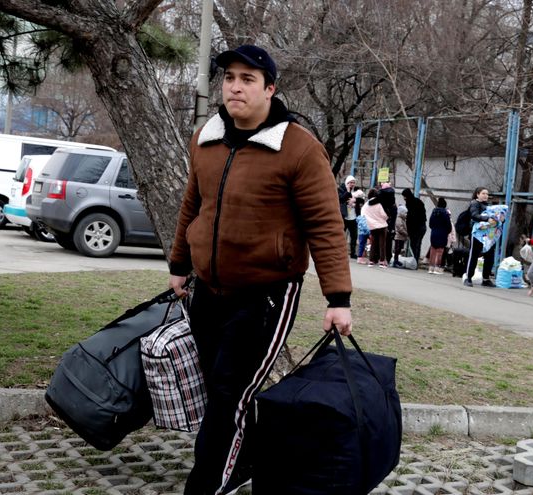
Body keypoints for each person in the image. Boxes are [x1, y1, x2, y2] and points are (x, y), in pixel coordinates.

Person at [166, 44, 352, 495]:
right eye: (229, 77)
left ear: (270, 89)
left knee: (231, 392)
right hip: (208, 289)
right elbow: (193, 204)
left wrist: (338, 299)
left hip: (267, 293)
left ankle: (207, 484)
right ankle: (245, 460)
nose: (235, 87)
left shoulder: (299, 148)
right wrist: (179, 264)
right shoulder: (205, 138)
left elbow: (325, 225)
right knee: (219, 389)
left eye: (247, 79)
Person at [464, 186, 497, 287]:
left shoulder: (489, 206)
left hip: (489, 235)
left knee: (490, 255)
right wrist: (487, 219)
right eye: (483, 193)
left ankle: (486, 279)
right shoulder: (475, 203)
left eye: (487, 194)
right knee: (474, 255)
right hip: (477, 234)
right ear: (477, 194)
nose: (486, 196)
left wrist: (500, 219)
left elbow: (496, 217)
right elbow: (474, 215)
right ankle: (468, 278)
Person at [361, 188, 389, 267]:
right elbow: (384, 215)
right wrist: (385, 218)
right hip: (382, 225)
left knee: (373, 243)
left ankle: (371, 261)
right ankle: (382, 261)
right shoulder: (379, 204)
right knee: (382, 244)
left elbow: (363, 214)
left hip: (372, 226)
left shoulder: (366, 205)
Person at [401, 188, 426, 266]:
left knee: (414, 245)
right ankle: (416, 261)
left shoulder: (409, 204)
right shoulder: (419, 201)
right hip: (422, 226)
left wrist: (409, 230)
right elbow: (423, 215)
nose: (404, 198)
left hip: (415, 228)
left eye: (404, 196)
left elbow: (410, 218)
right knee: (418, 244)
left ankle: (414, 262)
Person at [428, 198, 452, 274]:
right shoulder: (445, 213)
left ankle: (431, 268)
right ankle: (437, 268)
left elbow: (430, 224)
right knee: (440, 251)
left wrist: (434, 229)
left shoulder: (433, 212)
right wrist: (447, 231)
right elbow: (449, 226)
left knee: (433, 250)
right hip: (443, 233)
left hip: (434, 233)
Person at [338, 175, 358, 258]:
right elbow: (341, 199)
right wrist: (348, 191)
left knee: (354, 235)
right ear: (347, 182)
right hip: (344, 216)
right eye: (350, 182)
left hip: (353, 217)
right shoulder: (341, 189)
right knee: (342, 235)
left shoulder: (357, 190)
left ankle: (353, 253)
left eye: (353, 183)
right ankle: (340, 252)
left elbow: (362, 199)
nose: (352, 184)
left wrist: (355, 201)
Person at [377, 182, 397, 263]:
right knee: (388, 241)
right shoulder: (392, 200)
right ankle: (388, 257)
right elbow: (394, 214)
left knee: (379, 240)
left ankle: (378, 256)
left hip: (381, 222)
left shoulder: (380, 197)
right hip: (389, 222)